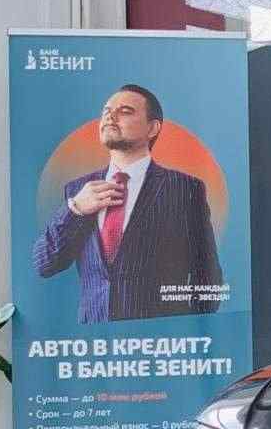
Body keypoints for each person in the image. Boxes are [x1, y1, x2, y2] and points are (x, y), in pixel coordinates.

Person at [33, 84, 223, 323]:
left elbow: (207, 275)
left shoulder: (185, 188)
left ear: (152, 128)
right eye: (106, 111)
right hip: (95, 338)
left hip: (158, 338)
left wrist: (182, 330)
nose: (109, 117)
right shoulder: (78, 191)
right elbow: (45, 264)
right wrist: (75, 210)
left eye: (124, 111)